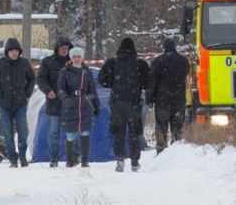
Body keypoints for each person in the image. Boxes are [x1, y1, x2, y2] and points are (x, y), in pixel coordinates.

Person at [99, 38, 150, 172]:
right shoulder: (140, 64)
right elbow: (148, 82)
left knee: (119, 132)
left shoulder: (113, 63)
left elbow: (102, 80)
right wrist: (138, 86)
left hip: (117, 102)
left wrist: (114, 84)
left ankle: (120, 159)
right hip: (133, 102)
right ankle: (134, 161)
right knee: (134, 133)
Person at [0, 38, 36, 168]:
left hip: (20, 103)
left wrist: (27, 94)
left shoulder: (24, 63)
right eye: (12, 51)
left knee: (22, 131)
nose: (14, 53)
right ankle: (12, 158)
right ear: (7, 52)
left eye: (16, 51)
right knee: (7, 133)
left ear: (19, 52)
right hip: (4, 104)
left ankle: (22, 156)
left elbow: (32, 79)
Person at [56, 47, 100, 168]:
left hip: (84, 106)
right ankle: (70, 160)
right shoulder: (65, 71)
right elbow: (60, 89)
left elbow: (92, 90)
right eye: (74, 56)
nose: (76, 59)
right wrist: (66, 99)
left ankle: (85, 160)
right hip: (70, 106)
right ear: (71, 58)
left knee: (85, 133)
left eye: (79, 56)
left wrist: (94, 104)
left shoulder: (87, 71)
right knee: (70, 134)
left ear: (82, 57)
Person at [148, 38, 190, 154]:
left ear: (164, 47)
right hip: (179, 100)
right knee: (177, 128)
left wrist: (149, 98)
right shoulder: (183, 61)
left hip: (162, 100)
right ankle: (176, 153)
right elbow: (186, 73)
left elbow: (152, 81)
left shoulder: (158, 61)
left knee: (161, 127)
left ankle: (161, 152)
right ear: (175, 47)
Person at [36, 37, 73, 167]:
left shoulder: (73, 61)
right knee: (53, 132)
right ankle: (54, 158)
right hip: (53, 102)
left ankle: (73, 158)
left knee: (72, 132)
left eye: (66, 48)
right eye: (62, 48)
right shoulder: (47, 62)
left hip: (71, 103)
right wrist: (48, 91)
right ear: (57, 49)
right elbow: (41, 79)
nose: (64, 50)